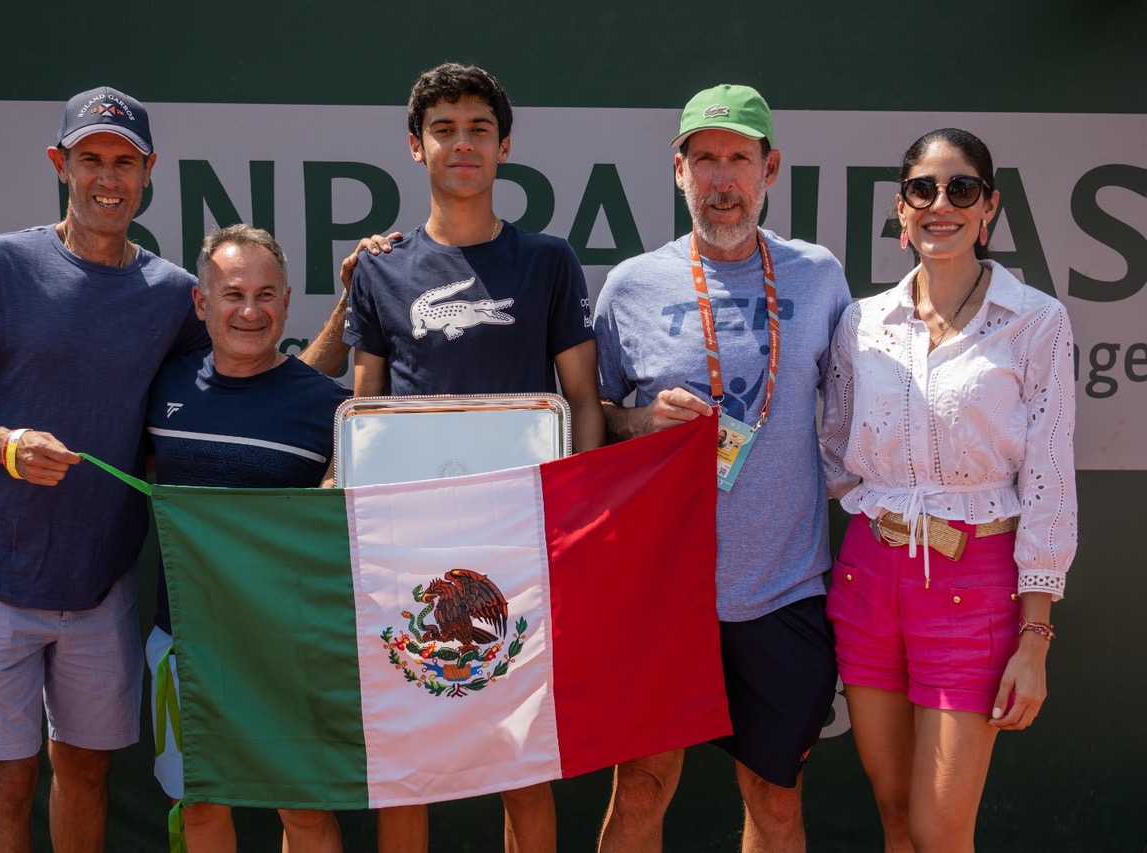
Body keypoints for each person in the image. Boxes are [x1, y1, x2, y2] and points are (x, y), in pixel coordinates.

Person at [0, 86, 347, 853]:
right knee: (7, 780)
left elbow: (253, 382)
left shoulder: (169, 295)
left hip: (103, 582)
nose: (108, 179)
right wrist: (6, 445)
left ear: (148, 171)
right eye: (91, 160)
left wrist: (345, 314)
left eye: (125, 162)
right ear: (62, 164)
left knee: (85, 770)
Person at [341, 62, 603, 853]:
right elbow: (363, 416)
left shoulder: (549, 261)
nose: (463, 144)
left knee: (521, 758)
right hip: (406, 550)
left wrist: (574, 513)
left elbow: (584, 400)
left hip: (519, 546)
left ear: (505, 146)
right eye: (445, 129)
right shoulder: (381, 267)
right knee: (405, 755)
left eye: (478, 129)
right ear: (416, 147)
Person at [592, 84, 850, 853]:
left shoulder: (818, 277)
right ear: (680, 172)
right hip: (660, 592)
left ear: (770, 169)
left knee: (774, 801)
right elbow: (589, 424)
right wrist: (641, 420)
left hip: (781, 589)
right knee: (639, 791)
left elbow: (856, 413)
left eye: (739, 158)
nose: (722, 178)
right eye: (705, 159)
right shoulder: (630, 286)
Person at [819, 128, 1076, 851]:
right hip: (869, 578)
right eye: (922, 190)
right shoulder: (861, 322)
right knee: (895, 808)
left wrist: (1036, 639)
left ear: (988, 206)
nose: (942, 204)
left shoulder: (1036, 323)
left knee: (940, 827)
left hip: (976, 582)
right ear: (901, 212)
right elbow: (835, 455)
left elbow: (1051, 480)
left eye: (961, 188)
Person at [145, 224, 348, 852]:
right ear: (203, 304)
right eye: (233, 294)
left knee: (304, 813)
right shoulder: (162, 386)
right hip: (181, 641)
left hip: (289, 646)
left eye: (266, 294)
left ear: (287, 302)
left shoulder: (328, 407)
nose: (251, 310)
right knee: (201, 808)